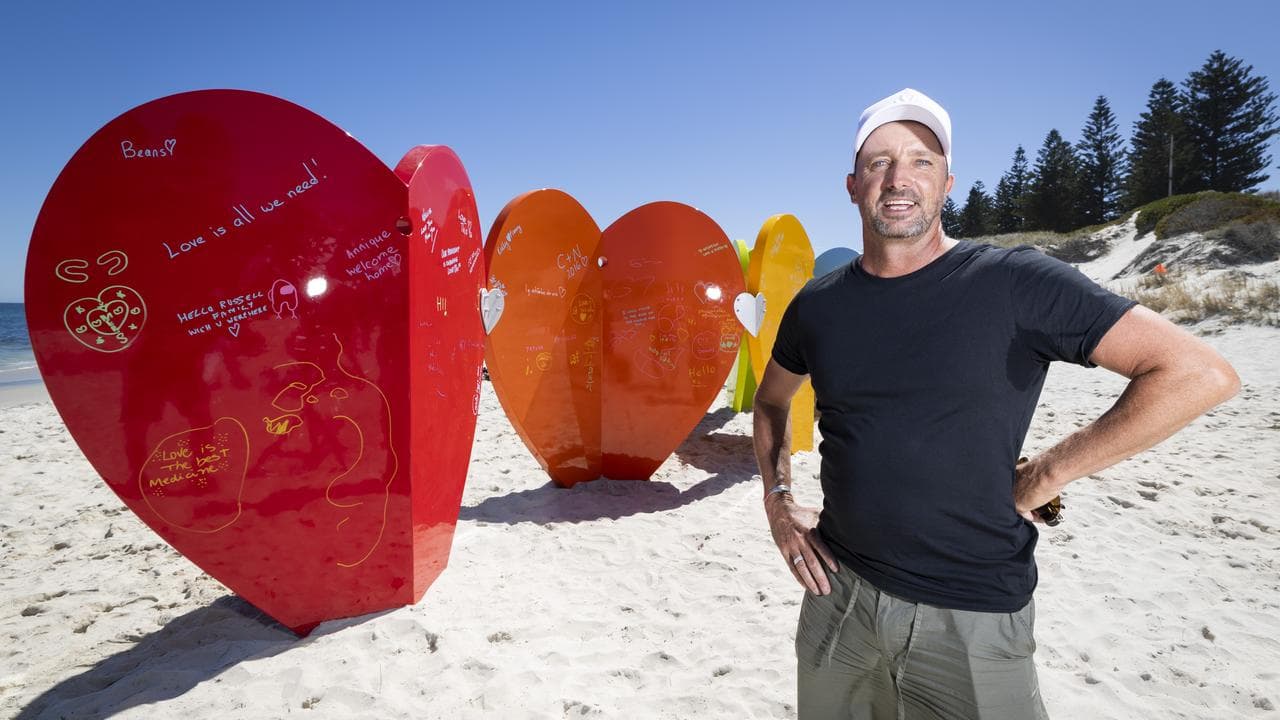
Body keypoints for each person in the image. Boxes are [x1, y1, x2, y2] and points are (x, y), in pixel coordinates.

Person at [751, 88, 1240, 719]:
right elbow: (771, 403)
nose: (899, 179)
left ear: (947, 183)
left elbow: (1197, 373)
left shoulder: (1015, 282)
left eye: (922, 161)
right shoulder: (818, 305)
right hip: (836, 597)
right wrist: (778, 502)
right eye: (879, 162)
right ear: (853, 185)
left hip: (972, 616)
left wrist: (1048, 472)